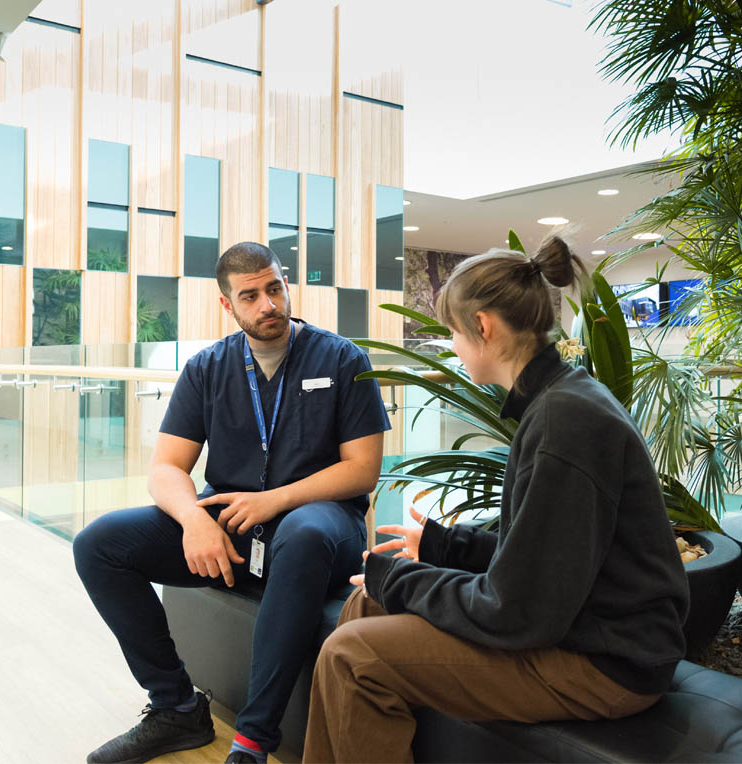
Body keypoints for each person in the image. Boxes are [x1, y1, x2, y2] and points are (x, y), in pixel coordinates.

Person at [302, 235, 690, 763]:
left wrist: (402, 577)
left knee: (352, 655)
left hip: (605, 662)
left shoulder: (563, 421)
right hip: (577, 626)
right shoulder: (559, 399)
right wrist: (444, 547)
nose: (455, 350)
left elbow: (520, 612)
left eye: (455, 335)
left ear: (482, 327)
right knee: (366, 601)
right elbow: (546, 554)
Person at [74, 242, 390, 764]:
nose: (268, 304)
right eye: (251, 296)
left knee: (305, 531)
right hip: (233, 527)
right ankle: (176, 708)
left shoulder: (340, 358)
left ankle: (252, 741)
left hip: (322, 526)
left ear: (286, 286)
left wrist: (275, 500)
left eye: (274, 288)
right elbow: (166, 469)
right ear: (228, 305)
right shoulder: (208, 368)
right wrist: (194, 518)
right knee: (98, 545)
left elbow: (363, 468)